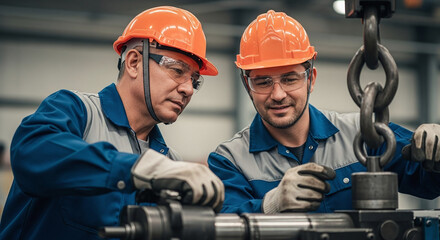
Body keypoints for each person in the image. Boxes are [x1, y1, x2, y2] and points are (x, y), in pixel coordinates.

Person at [0, 6, 224, 240]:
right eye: (178, 71)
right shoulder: (76, 111)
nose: (188, 89)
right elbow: (31, 155)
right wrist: (133, 168)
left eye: (195, 82)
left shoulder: (170, 162)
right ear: (134, 62)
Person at [207, 10, 440, 214]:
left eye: (289, 79)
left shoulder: (363, 133)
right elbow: (224, 222)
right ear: (248, 86)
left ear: (311, 79)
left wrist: (435, 151)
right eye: (263, 82)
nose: (277, 94)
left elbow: (428, 183)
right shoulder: (230, 160)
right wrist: (270, 205)